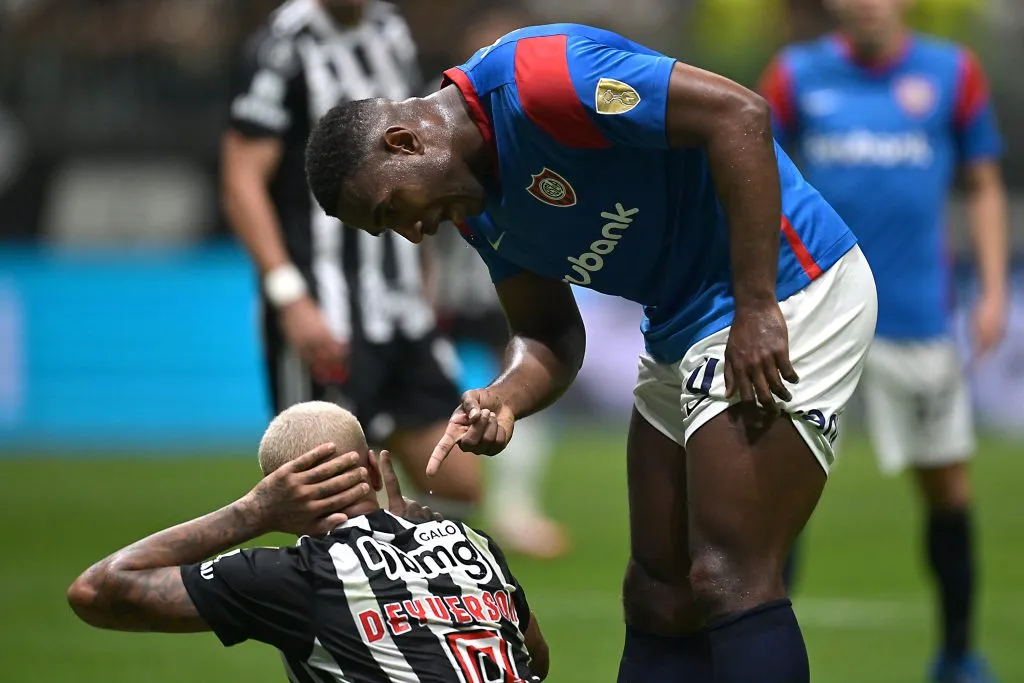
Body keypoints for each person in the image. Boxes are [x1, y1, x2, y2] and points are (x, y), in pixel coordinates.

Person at [304, 23, 878, 683]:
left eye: (392, 209)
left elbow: (737, 113)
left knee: (727, 573)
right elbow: (549, 334)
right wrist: (504, 396)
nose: (412, 232)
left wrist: (756, 306)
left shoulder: (542, 82)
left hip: (787, 287)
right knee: (658, 592)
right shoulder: (473, 211)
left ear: (404, 142)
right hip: (683, 322)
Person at [758, 1, 1007, 681]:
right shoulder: (794, 74)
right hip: (813, 313)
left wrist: (989, 290)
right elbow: (750, 173)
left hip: (917, 316)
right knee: (779, 495)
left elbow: (982, 181)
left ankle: (958, 654)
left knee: (946, 487)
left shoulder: (952, 72)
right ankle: (762, 658)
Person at [67, 401, 549, 683]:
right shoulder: (470, 542)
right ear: (369, 466)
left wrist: (251, 513)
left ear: (277, 489)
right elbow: (535, 660)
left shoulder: (296, 576)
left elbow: (96, 591)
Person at [221, 0, 481, 516]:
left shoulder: (390, 30)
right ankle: (346, 592)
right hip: (325, 306)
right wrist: (289, 297)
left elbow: (416, 158)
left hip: (401, 305)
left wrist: (424, 277)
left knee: (455, 482)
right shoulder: (283, 46)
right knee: (332, 494)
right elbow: (241, 177)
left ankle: (427, 592)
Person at [433, 6, 569, 560]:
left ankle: (516, 510)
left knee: (522, 384)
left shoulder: (539, 117)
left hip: (507, 278)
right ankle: (432, 509)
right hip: (446, 284)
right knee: (430, 391)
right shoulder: (439, 119)